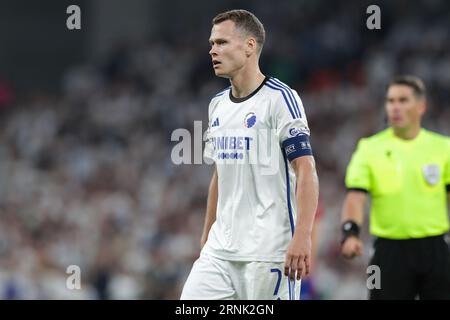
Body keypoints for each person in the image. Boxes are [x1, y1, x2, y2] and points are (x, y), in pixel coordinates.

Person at [180, 9, 319, 300]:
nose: (212, 50)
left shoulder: (281, 98)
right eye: (211, 44)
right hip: (220, 252)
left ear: (249, 46)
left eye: (221, 43)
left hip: (267, 252)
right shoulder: (217, 104)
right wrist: (207, 235)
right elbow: (220, 174)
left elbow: (306, 169)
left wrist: (303, 236)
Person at [340, 75, 450, 299]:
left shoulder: (443, 148)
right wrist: (350, 233)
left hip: (436, 249)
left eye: (403, 100)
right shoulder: (369, 148)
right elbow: (355, 196)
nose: (395, 107)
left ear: (421, 106)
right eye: (390, 101)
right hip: (386, 252)